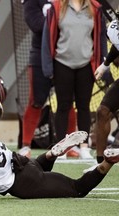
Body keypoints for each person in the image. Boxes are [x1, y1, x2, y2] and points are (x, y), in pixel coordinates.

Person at [41, 0, 107, 159]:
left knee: (84, 106)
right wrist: (48, 68)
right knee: (63, 106)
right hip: (62, 63)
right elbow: (47, 37)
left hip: (86, 64)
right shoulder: (56, 7)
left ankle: (84, 147)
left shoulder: (95, 8)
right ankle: (61, 147)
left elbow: (100, 37)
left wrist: (103, 64)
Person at [19, 0, 78, 159]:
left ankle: (71, 145)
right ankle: (26, 145)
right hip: (40, 54)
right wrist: (67, 24)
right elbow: (36, 25)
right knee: (36, 100)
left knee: (67, 101)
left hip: (65, 53)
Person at [84, 19, 119, 172]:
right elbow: (117, 47)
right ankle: (100, 162)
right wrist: (105, 65)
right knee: (102, 111)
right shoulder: (113, 28)